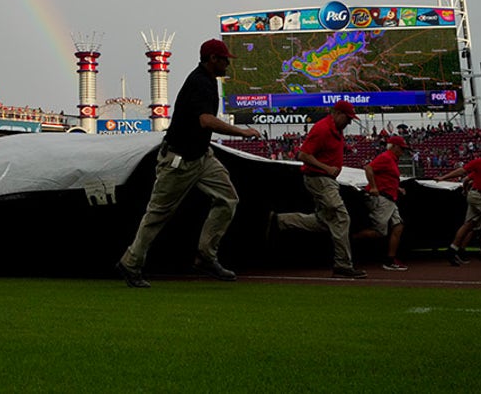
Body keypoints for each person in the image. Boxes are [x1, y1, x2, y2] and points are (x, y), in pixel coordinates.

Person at [116, 38, 261, 288]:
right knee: (157, 214)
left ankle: (206, 256)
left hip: (201, 156)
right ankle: (131, 262)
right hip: (179, 161)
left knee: (228, 199)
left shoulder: (207, 80)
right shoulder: (200, 82)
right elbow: (206, 120)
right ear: (212, 59)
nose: (228, 63)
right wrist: (242, 132)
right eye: (224, 59)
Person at [271, 100, 367, 278]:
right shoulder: (322, 129)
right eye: (348, 118)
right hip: (319, 178)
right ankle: (342, 265)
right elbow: (303, 154)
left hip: (326, 179)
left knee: (323, 221)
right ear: (337, 113)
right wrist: (326, 168)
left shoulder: (336, 130)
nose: (349, 122)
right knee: (341, 218)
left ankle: (280, 221)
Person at [353, 135, 407, 271]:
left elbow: (386, 178)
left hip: (390, 198)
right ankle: (347, 239)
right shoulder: (386, 157)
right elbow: (368, 168)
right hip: (382, 199)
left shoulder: (393, 159)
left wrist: (397, 188)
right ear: (394, 146)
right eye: (401, 148)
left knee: (398, 226)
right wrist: (373, 187)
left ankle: (390, 260)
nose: (403, 151)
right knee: (379, 232)